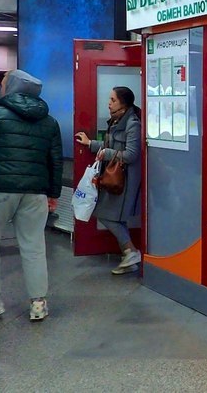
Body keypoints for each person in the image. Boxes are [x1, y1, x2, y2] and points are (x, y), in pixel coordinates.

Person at [0, 70, 62, 321]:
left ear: (13, 87)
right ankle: (38, 303)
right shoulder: (49, 122)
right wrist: (53, 193)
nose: (2, 86)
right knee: (34, 247)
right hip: (35, 193)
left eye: (5, 82)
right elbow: (55, 161)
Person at [75, 86, 143, 275]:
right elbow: (109, 145)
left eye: (113, 100)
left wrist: (106, 153)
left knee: (107, 214)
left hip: (124, 180)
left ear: (123, 103)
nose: (109, 103)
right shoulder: (116, 121)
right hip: (115, 178)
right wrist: (91, 144)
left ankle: (131, 252)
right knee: (112, 216)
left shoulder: (133, 124)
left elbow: (131, 155)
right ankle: (129, 255)